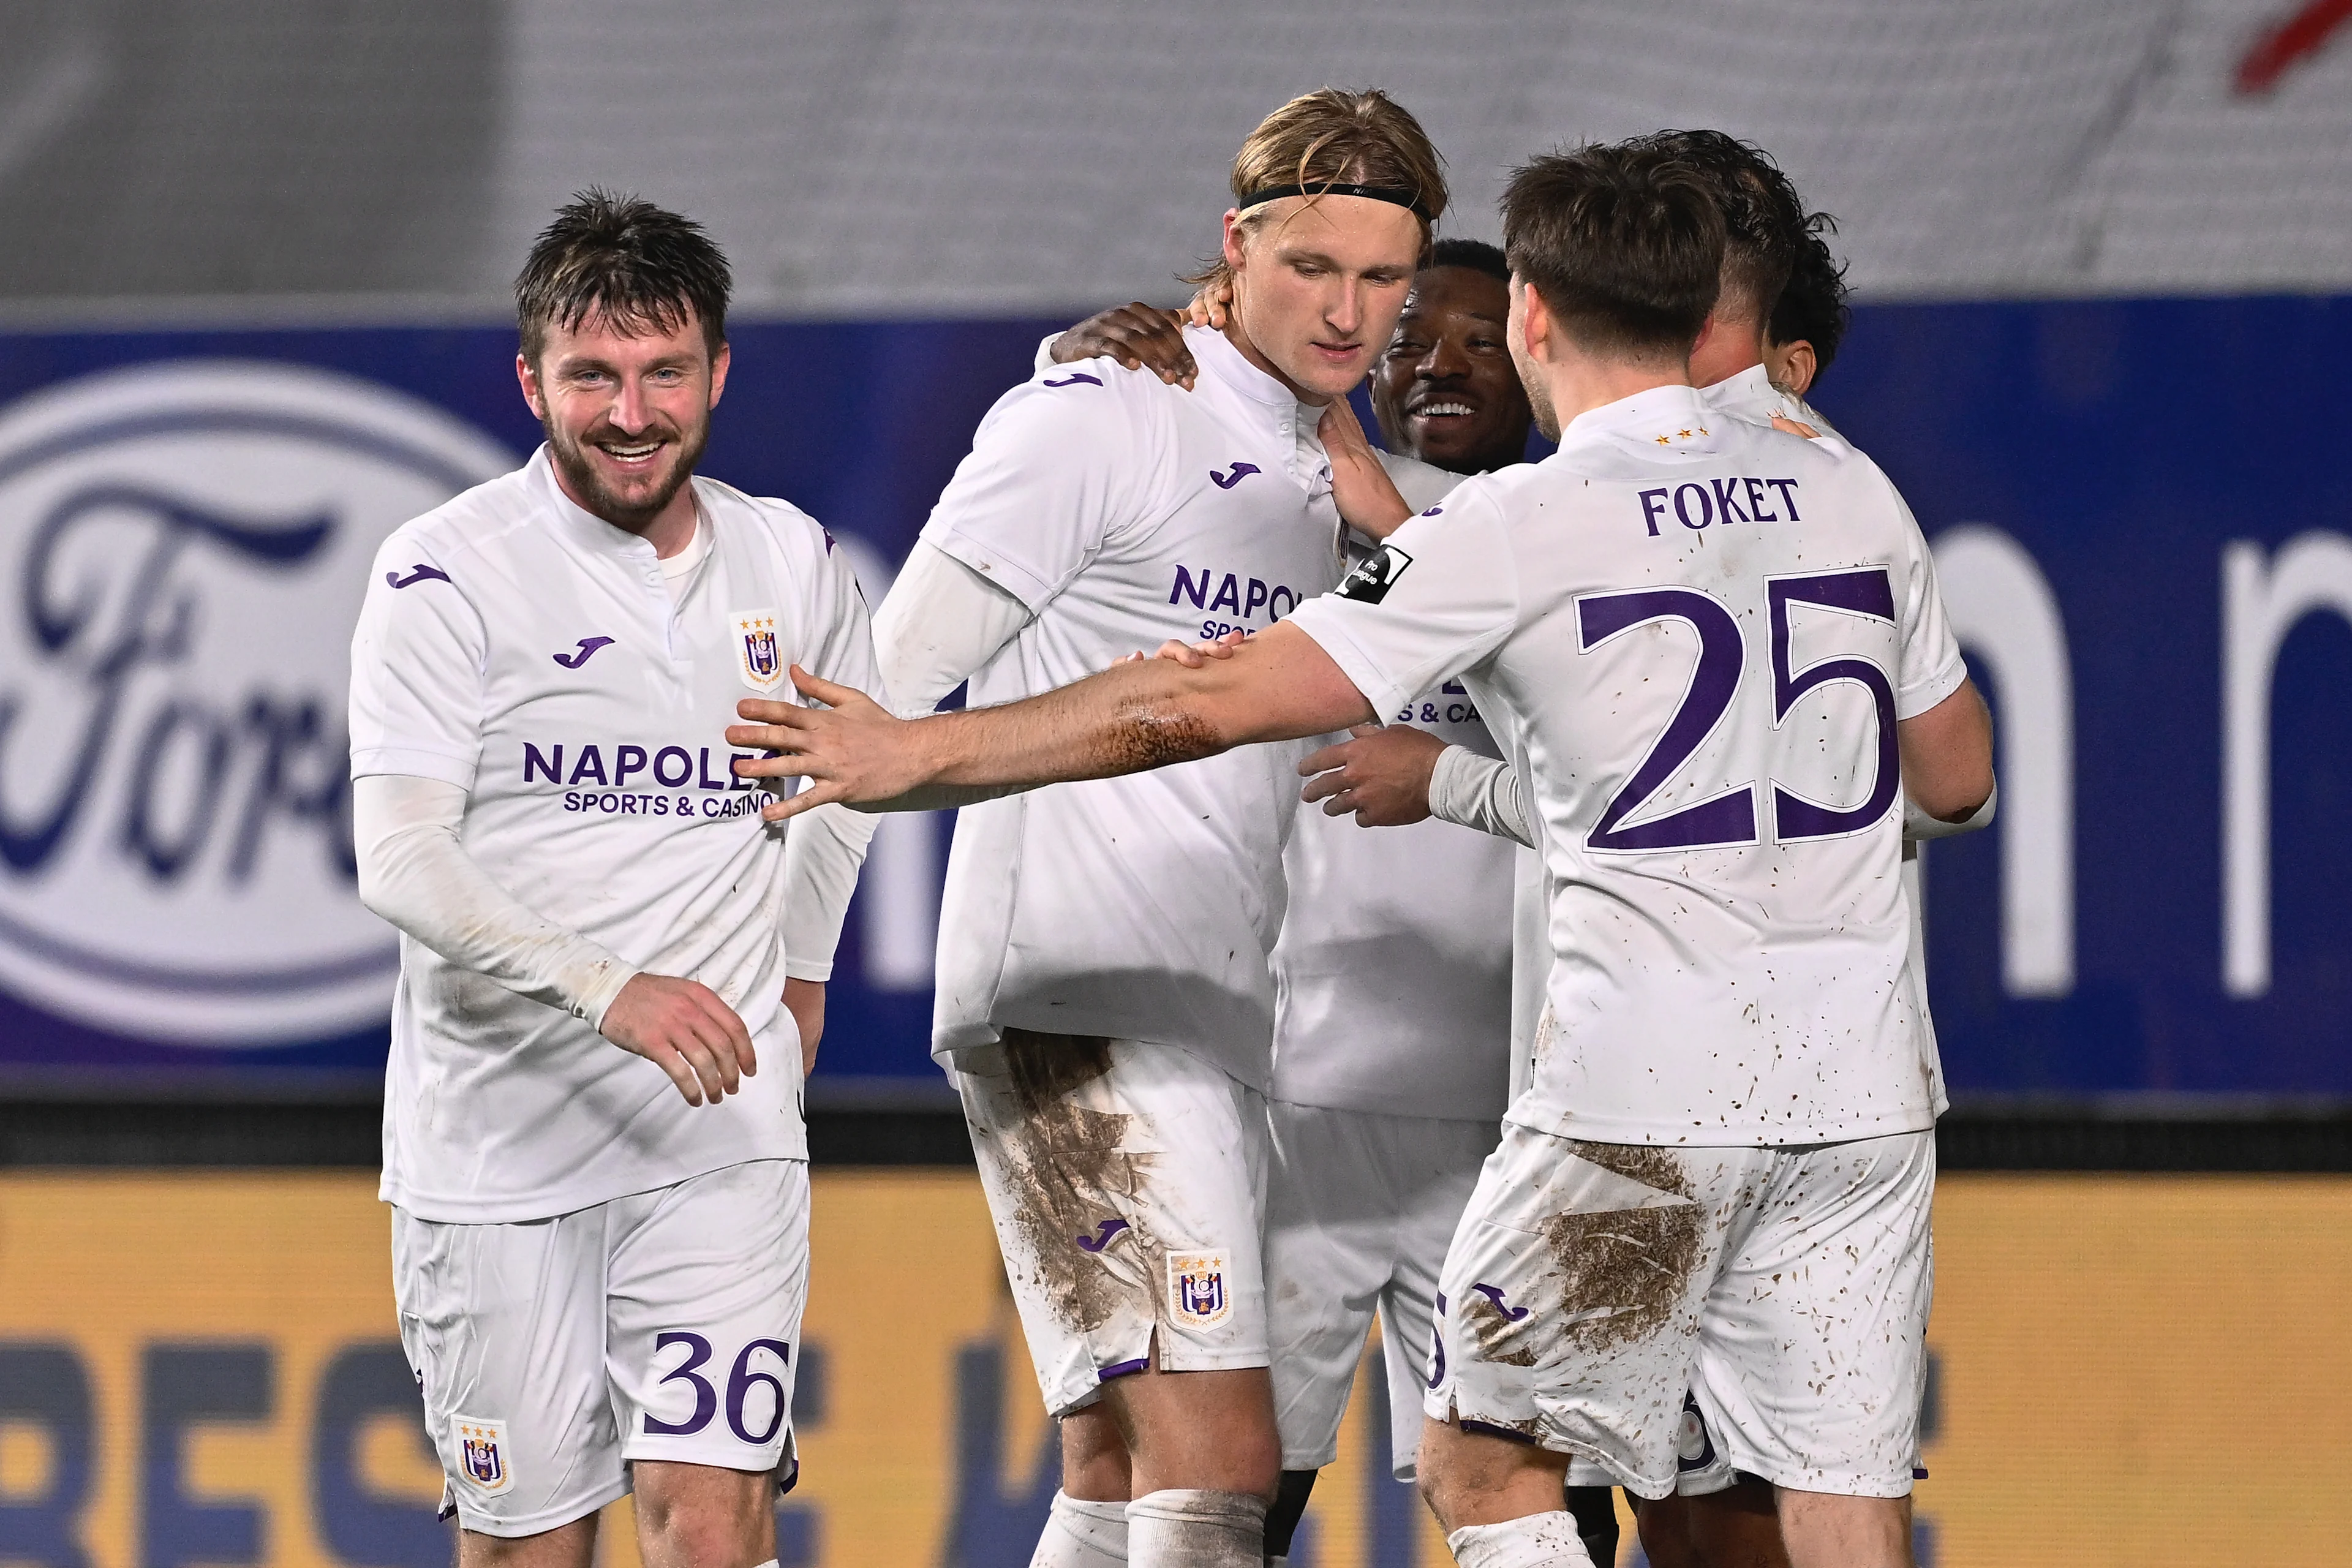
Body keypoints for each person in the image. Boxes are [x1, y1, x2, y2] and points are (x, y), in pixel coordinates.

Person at [731, 137, 1994, 1568]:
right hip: (1867, 1097)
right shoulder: (1849, 490)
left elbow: (1198, 699)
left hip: (1646, 1101)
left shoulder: (1529, 519)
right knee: (1841, 1496)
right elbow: (1955, 783)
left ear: (1531, 315)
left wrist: (918, 751)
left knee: (1481, 1450)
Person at [777, 88, 1449, 1568]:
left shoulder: (1317, 458)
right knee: (1222, 1452)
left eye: (1383, 278)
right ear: (1237, 246)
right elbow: (877, 704)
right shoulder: (1093, 413)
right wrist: (796, 961)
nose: (1348, 310)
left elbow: (1467, 648)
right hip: (1073, 1001)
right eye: (1312, 268)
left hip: (1206, 1006)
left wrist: (1367, 489)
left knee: (1116, 1451)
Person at [348, 192, 878, 1568]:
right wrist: (608, 989)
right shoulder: (445, 573)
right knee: (532, 1545)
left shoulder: (799, 561)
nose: (630, 411)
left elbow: (845, 786)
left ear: (716, 372)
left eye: (663, 371)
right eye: (592, 374)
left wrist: (803, 973)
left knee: (714, 1520)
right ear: (533, 379)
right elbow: (402, 857)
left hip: (718, 1132)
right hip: (494, 1145)